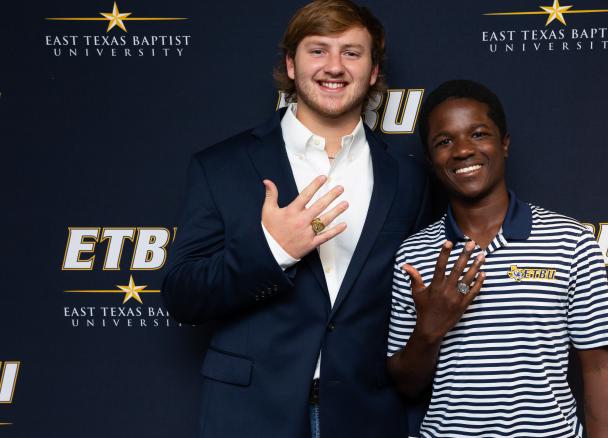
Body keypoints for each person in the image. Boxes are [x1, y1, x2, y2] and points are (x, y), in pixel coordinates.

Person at [161, 1, 428, 437]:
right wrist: (274, 251)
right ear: (290, 63)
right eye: (318, 50)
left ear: (374, 70)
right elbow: (182, 295)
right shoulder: (222, 166)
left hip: (368, 413)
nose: (335, 67)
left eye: (352, 52)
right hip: (251, 412)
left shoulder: (408, 178)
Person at [387, 79, 608, 438]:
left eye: (478, 134)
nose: (463, 150)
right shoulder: (415, 253)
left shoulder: (569, 240)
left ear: (505, 143)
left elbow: (601, 367)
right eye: (444, 141)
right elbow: (407, 384)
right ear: (431, 159)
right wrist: (431, 327)